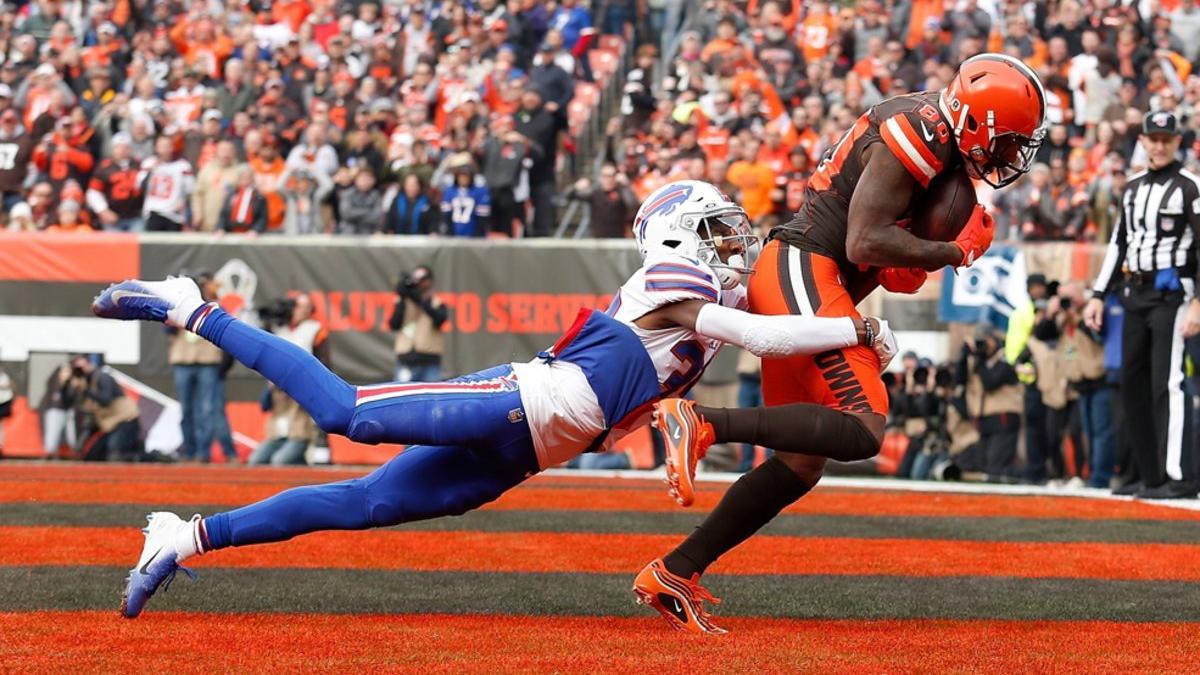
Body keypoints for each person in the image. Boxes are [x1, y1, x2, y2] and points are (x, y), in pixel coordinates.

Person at [91, 180, 896, 619]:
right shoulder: (675, 281)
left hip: (533, 448)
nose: (733, 243)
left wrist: (863, 338)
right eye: (718, 230)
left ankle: (186, 535)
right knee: (346, 414)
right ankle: (191, 304)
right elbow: (776, 338)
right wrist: (851, 325)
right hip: (522, 399)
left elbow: (761, 339)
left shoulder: (710, 317)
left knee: (366, 504)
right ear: (683, 237)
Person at [641, 54, 1046, 633]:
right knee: (864, 426)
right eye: (1008, 141)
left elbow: (891, 267)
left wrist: (926, 254)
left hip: (808, 276)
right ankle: (701, 421)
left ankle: (677, 570)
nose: (1011, 156)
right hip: (805, 266)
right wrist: (955, 252)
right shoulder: (922, 129)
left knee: (801, 464)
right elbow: (864, 241)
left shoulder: (937, 141)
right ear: (976, 119)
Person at [1083, 110, 1200, 499]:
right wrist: (1098, 295)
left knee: (1168, 383)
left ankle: (1179, 476)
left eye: (1167, 139)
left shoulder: (1190, 188)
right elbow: (1119, 245)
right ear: (1145, 141)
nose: (1160, 144)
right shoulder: (1131, 189)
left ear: (1177, 143)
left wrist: (1198, 301)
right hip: (1134, 294)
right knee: (1131, 384)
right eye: (1154, 138)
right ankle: (1148, 475)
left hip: (1173, 295)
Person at [68, 355, 141, 462]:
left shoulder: (102, 376)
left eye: (81, 368)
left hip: (125, 420)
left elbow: (106, 400)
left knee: (115, 454)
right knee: (93, 455)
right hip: (111, 424)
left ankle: (148, 457)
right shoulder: (86, 382)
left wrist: (86, 391)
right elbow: (79, 407)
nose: (80, 372)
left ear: (88, 363)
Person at [388, 266, 450, 383]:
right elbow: (394, 324)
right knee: (403, 397)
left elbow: (440, 320)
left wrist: (419, 299)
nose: (419, 284)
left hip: (429, 362)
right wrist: (402, 297)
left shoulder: (438, 302)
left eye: (422, 280)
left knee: (431, 399)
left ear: (430, 282)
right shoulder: (404, 302)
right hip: (405, 360)